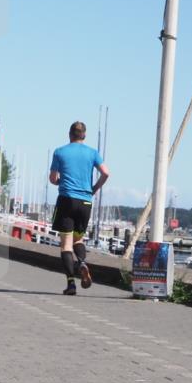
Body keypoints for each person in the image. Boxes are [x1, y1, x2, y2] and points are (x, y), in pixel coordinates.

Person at [49, 121, 110, 295]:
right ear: (84, 135)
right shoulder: (93, 153)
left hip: (67, 200)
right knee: (78, 240)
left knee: (66, 245)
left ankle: (71, 284)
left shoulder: (60, 151)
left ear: (70, 134)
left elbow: (53, 179)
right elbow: (106, 173)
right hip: (85, 202)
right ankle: (82, 262)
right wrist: (94, 189)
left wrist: (61, 181)